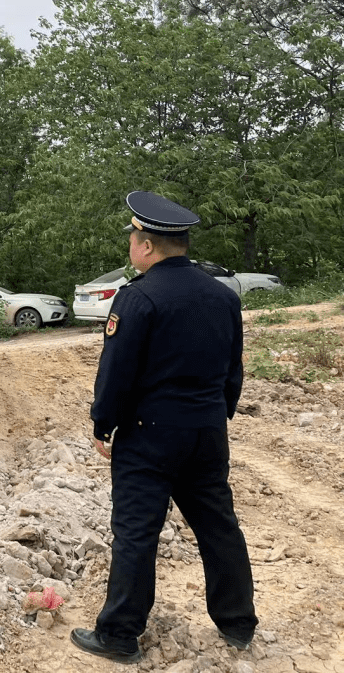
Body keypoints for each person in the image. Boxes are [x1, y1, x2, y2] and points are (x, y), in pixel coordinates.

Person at [70, 191, 258, 664]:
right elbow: (232, 368)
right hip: (206, 432)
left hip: (149, 434)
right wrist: (218, 413)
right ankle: (238, 624)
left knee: (137, 532)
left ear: (146, 245)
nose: (131, 245)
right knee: (218, 526)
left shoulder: (138, 297)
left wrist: (103, 423)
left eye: (134, 237)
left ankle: (118, 635)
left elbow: (116, 372)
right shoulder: (222, 295)